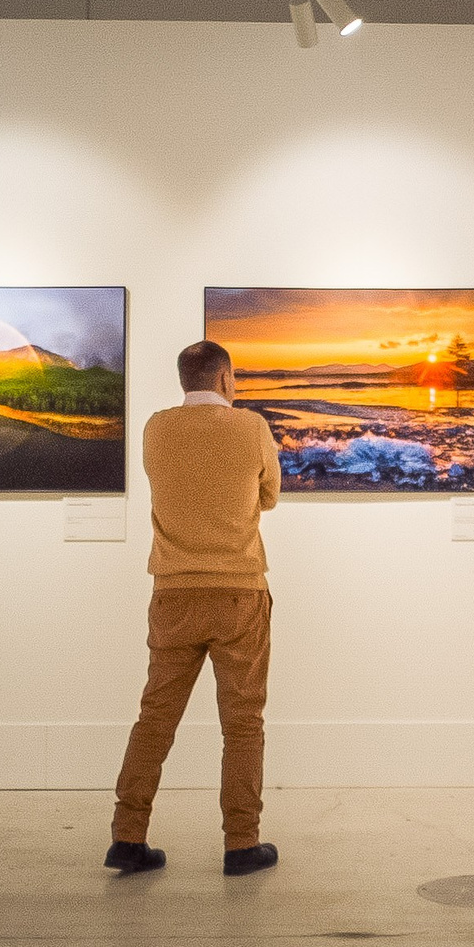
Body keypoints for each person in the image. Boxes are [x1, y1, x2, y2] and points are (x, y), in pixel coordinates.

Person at [104, 339, 283, 876]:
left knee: (155, 717)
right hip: (238, 592)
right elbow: (269, 496)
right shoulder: (251, 427)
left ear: (185, 380)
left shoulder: (156, 428)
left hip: (173, 594)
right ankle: (241, 843)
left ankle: (127, 837)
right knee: (243, 724)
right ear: (226, 379)